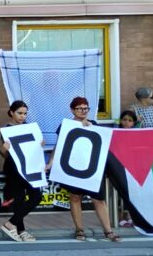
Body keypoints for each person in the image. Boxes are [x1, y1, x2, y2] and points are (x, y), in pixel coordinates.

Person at [49, 97, 120, 242]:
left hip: (91, 168)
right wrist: (51, 162)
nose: (83, 111)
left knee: (98, 199)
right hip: (73, 166)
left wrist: (91, 128)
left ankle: (108, 230)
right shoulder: (66, 125)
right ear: (72, 110)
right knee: (75, 197)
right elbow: (59, 145)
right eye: (80, 108)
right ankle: (79, 229)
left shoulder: (93, 124)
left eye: (86, 108)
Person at [0, 101, 43, 242]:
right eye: (19, 113)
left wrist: (39, 144)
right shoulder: (7, 130)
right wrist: (4, 149)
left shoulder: (30, 128)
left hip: (30, 167)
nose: (23, 116)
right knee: (19, 199)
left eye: (25, 113)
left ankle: (11, 223)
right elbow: (5, 154)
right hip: (13, 169)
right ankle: (21, 230)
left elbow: (34, 150)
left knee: (36, 196)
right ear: (11, 112)